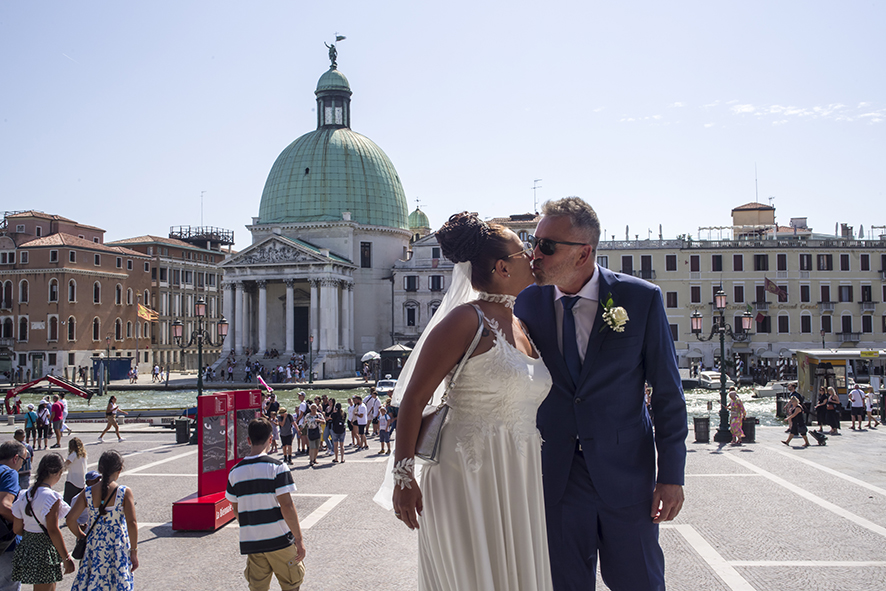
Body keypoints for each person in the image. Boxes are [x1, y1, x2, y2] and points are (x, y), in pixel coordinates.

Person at [514, 197, 687, 591]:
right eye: (533, 242)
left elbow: (667, 394)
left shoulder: (641, 299)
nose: (534, 254)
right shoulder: (525, 303)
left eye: (547, 245)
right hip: (554, 479)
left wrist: (671, 475)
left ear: (584, 253)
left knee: (640, 583)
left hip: (627, 478)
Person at [380, 212, 553, 590]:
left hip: (517, 476)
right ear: (503, 267)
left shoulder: (520, 323)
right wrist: (403, 477)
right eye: (525, 251)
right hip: (466, 477)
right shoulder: (464, 320)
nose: (533, 256)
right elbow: (413, 399)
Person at [225, 418, 305, 591]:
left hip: (253, 542)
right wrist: (298, 539)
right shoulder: (277, 468)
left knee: (258, 587)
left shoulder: (235, 472)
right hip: (279, 540)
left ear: (248, 440)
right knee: (291, 584)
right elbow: (287, 506)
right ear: (271, 439)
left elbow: (236, 509)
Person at [66, 450, 138, 591]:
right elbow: (132, 523)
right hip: (117, 545)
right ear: (119, 469)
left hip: (94, 545)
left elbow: (70, 519)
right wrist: (134, 551)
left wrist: (81, 535)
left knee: (95, 581)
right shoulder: (124, 492)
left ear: (100, 469)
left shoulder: (87, 492)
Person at [11, 452, 75, 589]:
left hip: (28, 546)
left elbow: (16, 528)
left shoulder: (24, 495)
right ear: (58, 473)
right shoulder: (52, 497)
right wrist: (66, 558)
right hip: (44, 549)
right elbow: (53, 530)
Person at [0, 440, 27, 591]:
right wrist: (24, 525)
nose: (21, 466)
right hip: (5, 545)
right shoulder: (8, 472)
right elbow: (4, 506)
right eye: (23, 461)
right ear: (15, 458)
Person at [63, 438, 87, 506]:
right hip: (81, 481)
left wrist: (63, 460)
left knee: (68, 502)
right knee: (78, 503)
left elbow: (65, 465)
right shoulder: (83, 455)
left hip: (72, 481)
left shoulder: (73, 454)